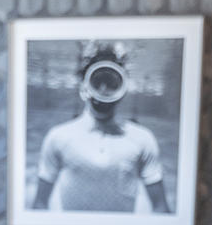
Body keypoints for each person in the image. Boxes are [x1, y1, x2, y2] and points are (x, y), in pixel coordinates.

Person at [32, 43, 170, 214]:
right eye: (97, 82)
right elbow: (39, 207)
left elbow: (161, 209)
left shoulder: (142, 139)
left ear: (122, 90)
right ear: (84, 88)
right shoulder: (58, 137)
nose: (104, 91)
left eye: (112, 83)